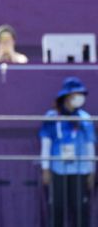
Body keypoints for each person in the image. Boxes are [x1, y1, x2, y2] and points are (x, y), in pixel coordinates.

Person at [39, 77, 95, 227]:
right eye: (76, 94)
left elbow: (90, 145)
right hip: (58, 169)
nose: (79, 98)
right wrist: (45, 168)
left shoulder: (85, 118)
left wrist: (92, 170)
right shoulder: (52, 117)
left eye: (81, 94)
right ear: (66, 96)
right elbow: (46, 143)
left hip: (80, 170)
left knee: (80, 208)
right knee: (57, 208)